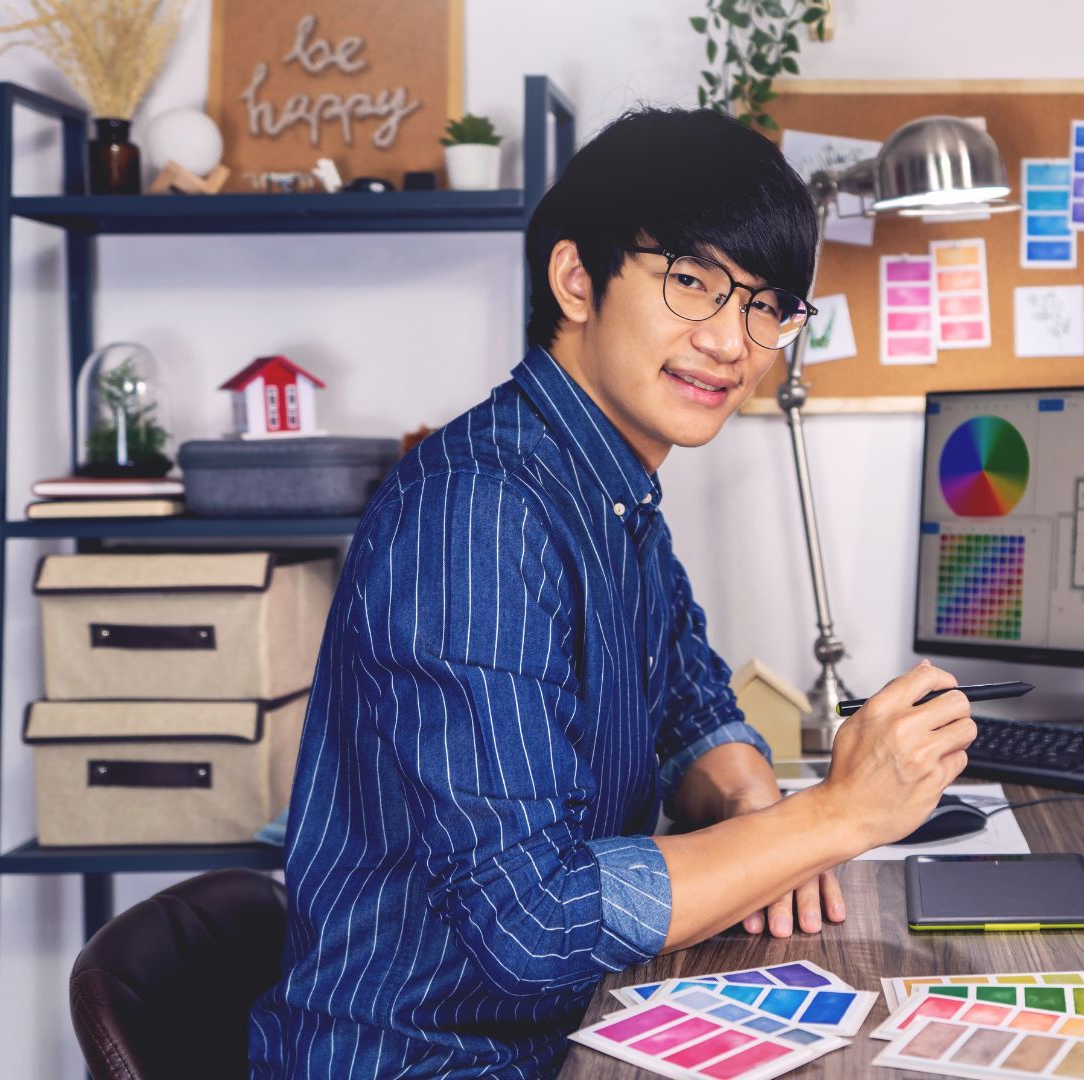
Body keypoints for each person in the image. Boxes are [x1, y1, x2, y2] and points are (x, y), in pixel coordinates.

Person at [246, 106, 976, 1078]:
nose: (732, 342)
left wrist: (756, 805)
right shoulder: (481, 512)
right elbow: (531, 923)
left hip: (563, 1033)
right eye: (692, 283)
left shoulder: (608, 488)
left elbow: (688, 706)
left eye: (767, 306)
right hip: (424, 1058)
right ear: (577, 279)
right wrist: (835, 816)